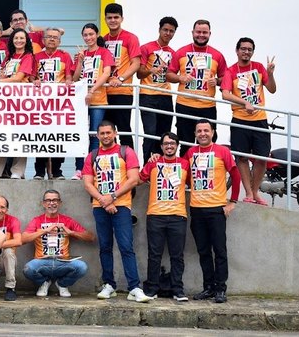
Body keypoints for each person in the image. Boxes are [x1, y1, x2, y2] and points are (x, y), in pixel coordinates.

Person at [82, 120, 151, 303]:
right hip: (100, 206)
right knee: (105, 247)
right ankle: (109, 285)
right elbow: (88, 183)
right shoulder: (92, 155)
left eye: (108, 133)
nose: (105, 136)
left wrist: (111, 197)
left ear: (115, 133)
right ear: (97, 136)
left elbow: (133, 179)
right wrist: (104, 201)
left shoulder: (126, 151)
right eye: (102, 133)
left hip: (121, 206)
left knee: (126, 246)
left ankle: (134, 287)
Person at [186, 119, 240, 303]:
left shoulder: (222, 151)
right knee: (203, 251)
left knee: (220, 251)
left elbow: (235, 174)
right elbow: (182, 173)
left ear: (212, 132)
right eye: (199, 131)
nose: (203, 133)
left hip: (216, 209)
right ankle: (208, 287)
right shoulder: (190, 152)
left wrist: (232, 201)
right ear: (195, 134)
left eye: (206, 130)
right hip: (196, 209)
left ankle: (220, 289)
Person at [221, 38, 277, 205]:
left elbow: (272, 89)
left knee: (262, 158)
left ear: (252, 51)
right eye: (243, 49)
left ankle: (255, 192)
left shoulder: (259, 67)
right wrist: (244, 103)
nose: (246, 52)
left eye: (249, 49)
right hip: (240, 120)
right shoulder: (231, 71)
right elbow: (225, 93)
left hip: (260, 120)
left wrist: (271, 74)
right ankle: (249, 193)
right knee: (242, 157)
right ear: (237, 50)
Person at [138, 131, 190, 301]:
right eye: (166, 143)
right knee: (154, 255)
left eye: (172, 143)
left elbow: (193, 183)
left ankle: (177, 290)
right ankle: (152, 288)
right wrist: (148, 161)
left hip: (178, 216)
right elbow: (139, 179)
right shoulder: (153, 163)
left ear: (177, 146)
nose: (169, 146)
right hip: (155, 215)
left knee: (177, 255)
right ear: (161, 147)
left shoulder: (184, 164)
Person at [167, 19, 227, 157]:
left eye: (204, 32)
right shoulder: (181, 52)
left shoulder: (217, 55)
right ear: (192, 33)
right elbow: (169, 75)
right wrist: (180, 78)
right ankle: (186, 178)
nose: (201, 35)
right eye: (198, 32)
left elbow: (225, 79)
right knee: (186, 144)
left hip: (207, 106)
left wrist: (217, 80)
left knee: (208, 144)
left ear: (210, 34)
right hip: (184, 105)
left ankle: (206, 176)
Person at [22, 189, 95, 297]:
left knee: (82, 267)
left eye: (55, 200)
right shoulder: (37, 220)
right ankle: (43, 283)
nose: (52, 203)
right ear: (43, 203)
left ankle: (62, 284)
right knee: (28, 269)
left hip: (62, 262)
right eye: (48, 200)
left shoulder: (67, 220)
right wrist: (44, 231)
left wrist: (71, 232)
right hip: (42, 261)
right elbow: (23, 239)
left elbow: (91, 237)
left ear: (60, 203)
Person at [0, 28, 35, 179]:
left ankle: (17, 171)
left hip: (21, 101)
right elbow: (4, 74)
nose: (19, 41)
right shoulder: (8, 57)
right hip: (6, 102)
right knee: (2, 135)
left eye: (22, 38)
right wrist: (0, 78)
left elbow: (18, 78)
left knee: (20, 136)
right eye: (16, 38)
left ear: (26, 40)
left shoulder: (28, 56)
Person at [72, 23, 115, 175]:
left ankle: (94, 167)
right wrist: (80, 62)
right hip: (81, 102)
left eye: (91, 34)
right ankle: (79, 169)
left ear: (97, 35)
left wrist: (92, 90)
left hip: (98, 100)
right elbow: (75, 78)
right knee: (80, 134)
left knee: (96, 135)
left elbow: (106, 73)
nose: (88, 37)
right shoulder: (81, 54)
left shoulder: (104, 52)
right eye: (85, 35)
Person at [32, 27, 73, 180]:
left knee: (58, 137)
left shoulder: (65, 56)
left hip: (59, 104)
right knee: (40, 137)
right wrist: (34, 80)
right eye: (48, 37)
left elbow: (69, 76)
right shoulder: (36, 56)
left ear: (60, 41)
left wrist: (69, 81)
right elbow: (31, 76)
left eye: (55, 37)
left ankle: (57, 171)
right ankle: (39, 172)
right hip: (40, 104)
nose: (51, 39)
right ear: (43, 40)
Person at [137, 17, 178, 163]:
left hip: (166, 95)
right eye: (165, 30)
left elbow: (174, 75)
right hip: (148, 94)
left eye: (171, 31)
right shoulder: (147, 48)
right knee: (150, 132)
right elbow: (139, 73)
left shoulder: (174, 52)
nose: (167, 33)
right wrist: (151, 70)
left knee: (164, 133)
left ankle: (161, 164)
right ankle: (147, 166)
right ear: (159, 30)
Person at [102, 3, 141, 149]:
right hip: (104, 93)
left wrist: (121, 79)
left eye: (116, 17)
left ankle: (129, 164)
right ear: (105, 19)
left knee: (124, 129)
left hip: (122, 91)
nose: (113, 20)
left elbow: (136, 63)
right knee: (105, 131)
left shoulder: (130, 38)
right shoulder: (102, 40)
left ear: (122, 18)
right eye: (109, 17)